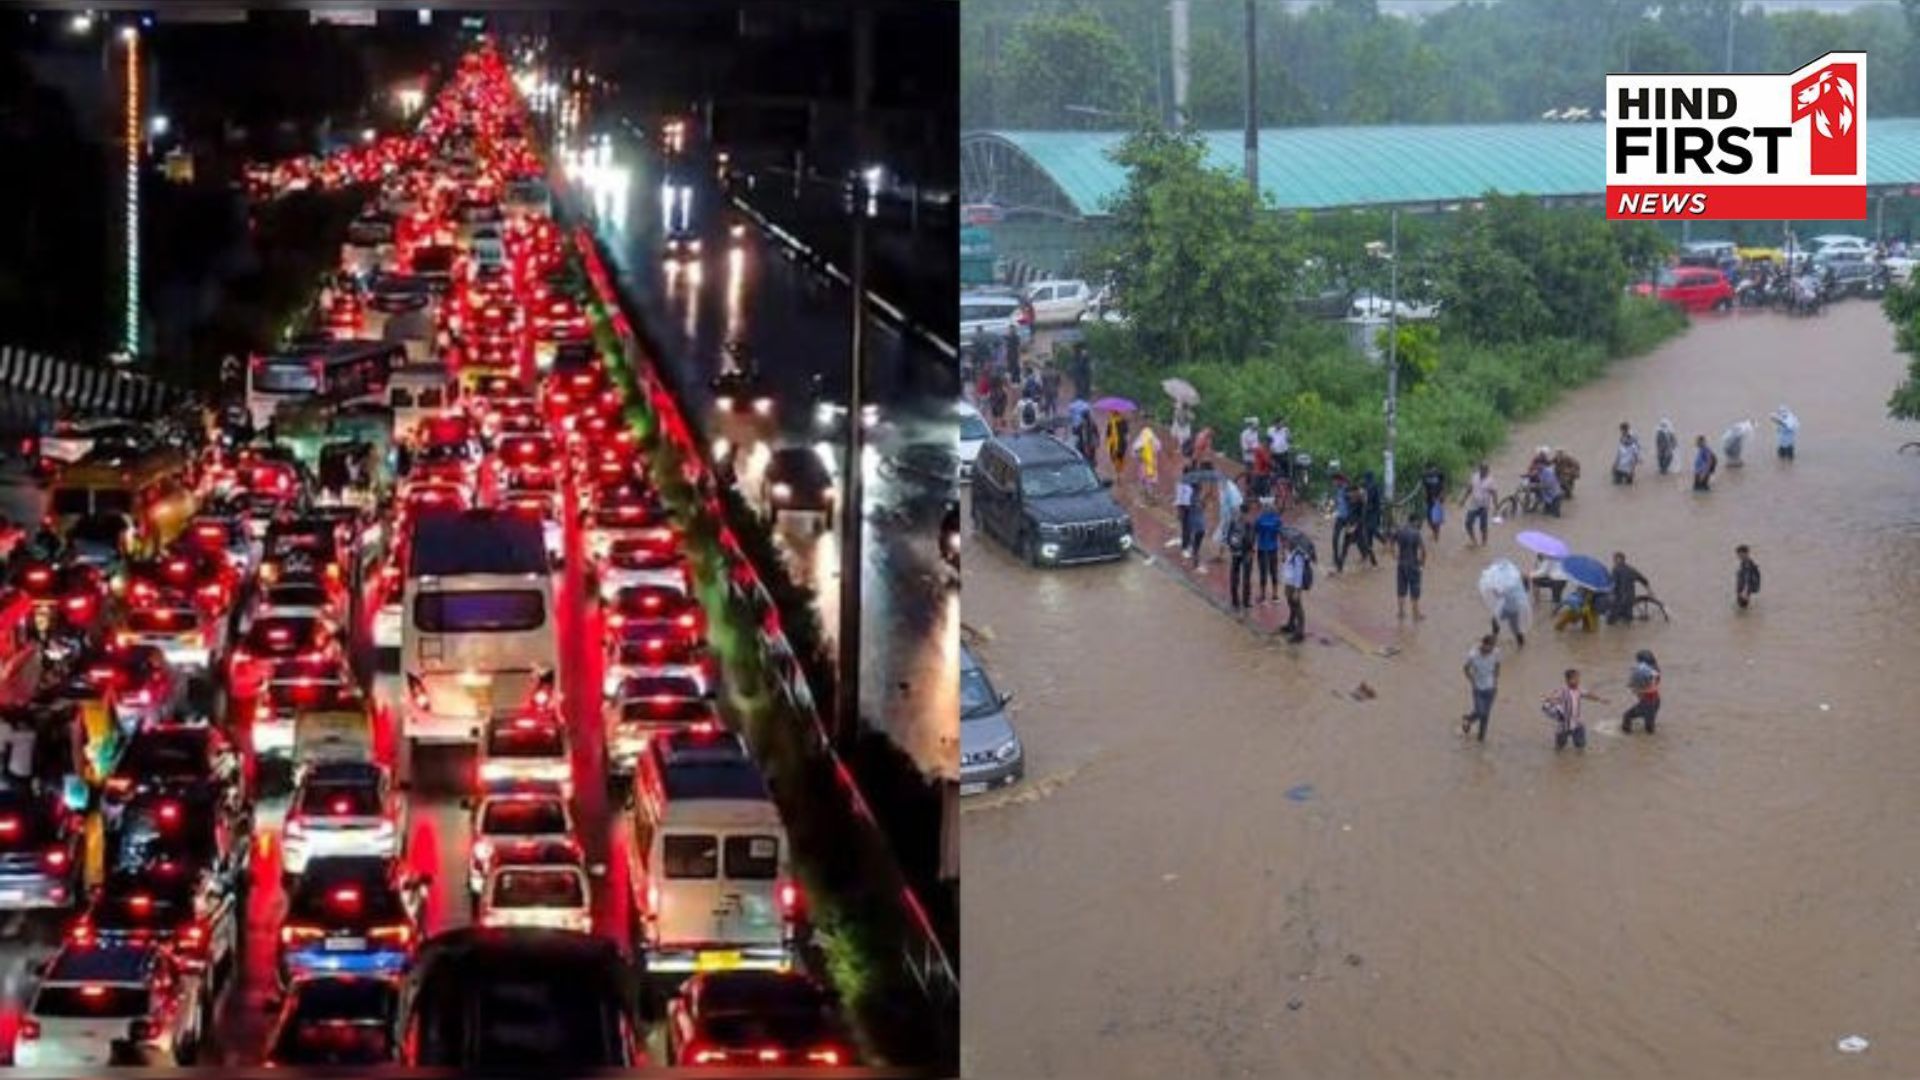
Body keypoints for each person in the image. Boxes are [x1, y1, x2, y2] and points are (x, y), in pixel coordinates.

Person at [1543, 669, 1608, 751]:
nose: (1578, 680)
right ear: (1568, 680)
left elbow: (1588, 695)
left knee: (1581, 747)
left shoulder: (1579, 690)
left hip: (1577, 724)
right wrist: (1550, 700)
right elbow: (1551, 698)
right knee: (1559, 748)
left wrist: (1600, 699)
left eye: (1578, 678)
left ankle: (1580, 757)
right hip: (1563, 726)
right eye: (1575, 678)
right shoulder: (1563, 691)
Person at [1462, 635, 1500, 741]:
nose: (1491, 650)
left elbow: (1497, 666)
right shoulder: (1473, 655)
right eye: (1489, 647)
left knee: (1486, 716)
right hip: (1478, 688)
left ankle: (1481, 739)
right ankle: (1468, 719)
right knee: (1480, 711)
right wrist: (1472, 681)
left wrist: (1495, 682)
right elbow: (1465, 669)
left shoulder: (1496, 652)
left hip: (1491, 689)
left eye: (1492, 647)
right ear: (1484, 644)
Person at [1393, 518, 1426, 621]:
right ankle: (1416, 614)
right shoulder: (1416, 533)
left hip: (1401, 564)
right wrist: (1422, 563)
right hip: (1413, 564)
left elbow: (1390, 542)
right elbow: (1423, 550)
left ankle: (1401, 612)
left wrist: (1394, 555)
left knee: (1401, 589)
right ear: (1415, 522)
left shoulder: (1399, 531)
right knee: (1414, 589)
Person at [1606, 551, 1651, 626]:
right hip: (1631, 599)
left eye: (1614, 559)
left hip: (1620, 599)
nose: (1613, 561)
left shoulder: (1616, 570)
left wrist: (1610, 595)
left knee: (1610, 622)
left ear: (1617, 560)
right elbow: (1644, 580)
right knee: (1627, 621)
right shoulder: (1631, 569)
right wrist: (1649, 590)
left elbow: (1613, 585)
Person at [1622, 650, 1662, 734]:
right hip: (1654, 702)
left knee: (1627, 716)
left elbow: (1651, 689)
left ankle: (1626, 737)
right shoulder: (1655, 670)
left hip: (1648, 703)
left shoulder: (1646, 672)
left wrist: (1637, 690)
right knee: (1649, 728)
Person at [1224, 501, 1254, 612]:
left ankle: (1238, 601)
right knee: (1242, 578)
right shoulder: (1248, 523)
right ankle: (1242, 601)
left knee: (1238, 577)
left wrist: (1232, 547)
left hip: (1238, 552)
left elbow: (1228, 537)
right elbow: (1251, 540)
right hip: (1244, 553)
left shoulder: (1235, 521)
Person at [1281, 535, 1311, 642]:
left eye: (1285, 541)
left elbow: (1299, 573)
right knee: (1291, 605)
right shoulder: (1290, 553)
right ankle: (1291, 624)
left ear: (1291, 542)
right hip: (1289, 583)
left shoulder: (1298, 555)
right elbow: (1286, 567)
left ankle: (1300, 632)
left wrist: (1297, 591)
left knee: (1297, 607)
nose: (1283, 543)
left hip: (1294, 585)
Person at [1254, 497, 1283, 604]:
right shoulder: (1277, 520)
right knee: (1274, 571)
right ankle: (1275, 595)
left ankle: (1262, 596)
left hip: (1262, 548)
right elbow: (1280, 534)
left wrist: (1252, 546)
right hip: (1273, 548)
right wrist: (1283, 551)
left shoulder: (1259, 519)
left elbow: (1255, 532)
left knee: (1263, 572)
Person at [1461, 463, 1495, 547]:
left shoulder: (1490, 480)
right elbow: (1469, 489)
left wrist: (1496, 505)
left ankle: (1484, 542)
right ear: (1480, 469)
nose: (1483, 471)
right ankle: (1474, 540)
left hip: (1484, 506)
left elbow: (1494, 493)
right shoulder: (1474, 477)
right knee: (1468, 523)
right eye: (1482, 469)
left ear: (1488, 470)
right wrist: (1463, 499)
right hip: (1473, 505)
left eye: (1485, 469)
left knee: (1483, 526)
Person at [1419, 462, 1446, 541]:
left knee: (1436, 517)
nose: (1433, 470)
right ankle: (1434, 531)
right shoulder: (1425, 476)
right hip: (1429, 499)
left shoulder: (1439, 474)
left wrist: (1442, 494)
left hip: (1437, 499)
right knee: (1429, 519)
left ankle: (1436, 533)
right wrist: (1423, 494)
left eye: (1434, 468)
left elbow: (1443, 485)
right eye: (1432, 468)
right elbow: (1423, 487)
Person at [1735, 544, 1762, 609]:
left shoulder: (1748, 565)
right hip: (1744, 590)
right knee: (1743, 609)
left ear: (1746, 553)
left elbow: (1748, 578)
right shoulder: (1745, 563)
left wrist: (1745, 591)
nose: (1739, 557)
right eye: (1738, 555)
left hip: (1745, 591)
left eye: (1741, 555)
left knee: (1743, 608)